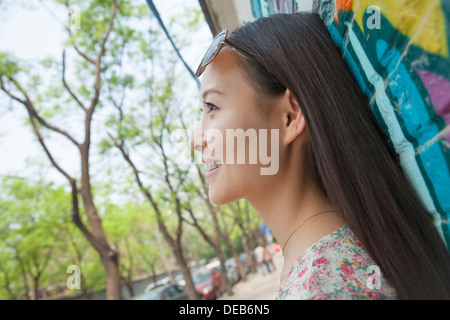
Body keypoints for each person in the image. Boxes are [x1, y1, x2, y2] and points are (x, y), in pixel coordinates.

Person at [190, 12, 450, 299]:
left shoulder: (319, 287)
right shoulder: (331, 260)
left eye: (212, 108)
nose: (196, 140)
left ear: (290, 116)